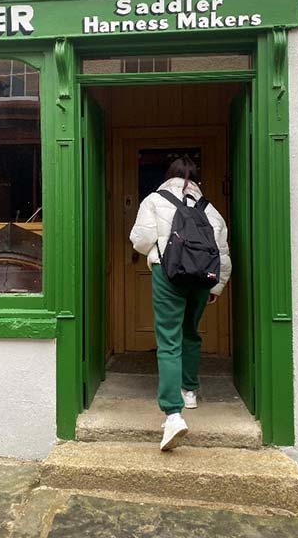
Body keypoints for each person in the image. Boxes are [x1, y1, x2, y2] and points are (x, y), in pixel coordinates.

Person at [130, 155, 232, 451]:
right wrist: (218, 286)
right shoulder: (210, 209)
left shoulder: (154, 200)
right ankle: (189, 391)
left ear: (169, 176)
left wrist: (159, 247)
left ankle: (173, 413)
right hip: (202, 279)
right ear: (196, 179)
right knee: (190, 332)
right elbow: (222, 251)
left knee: (169, 340)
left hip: (169, 274)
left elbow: (141, 240)